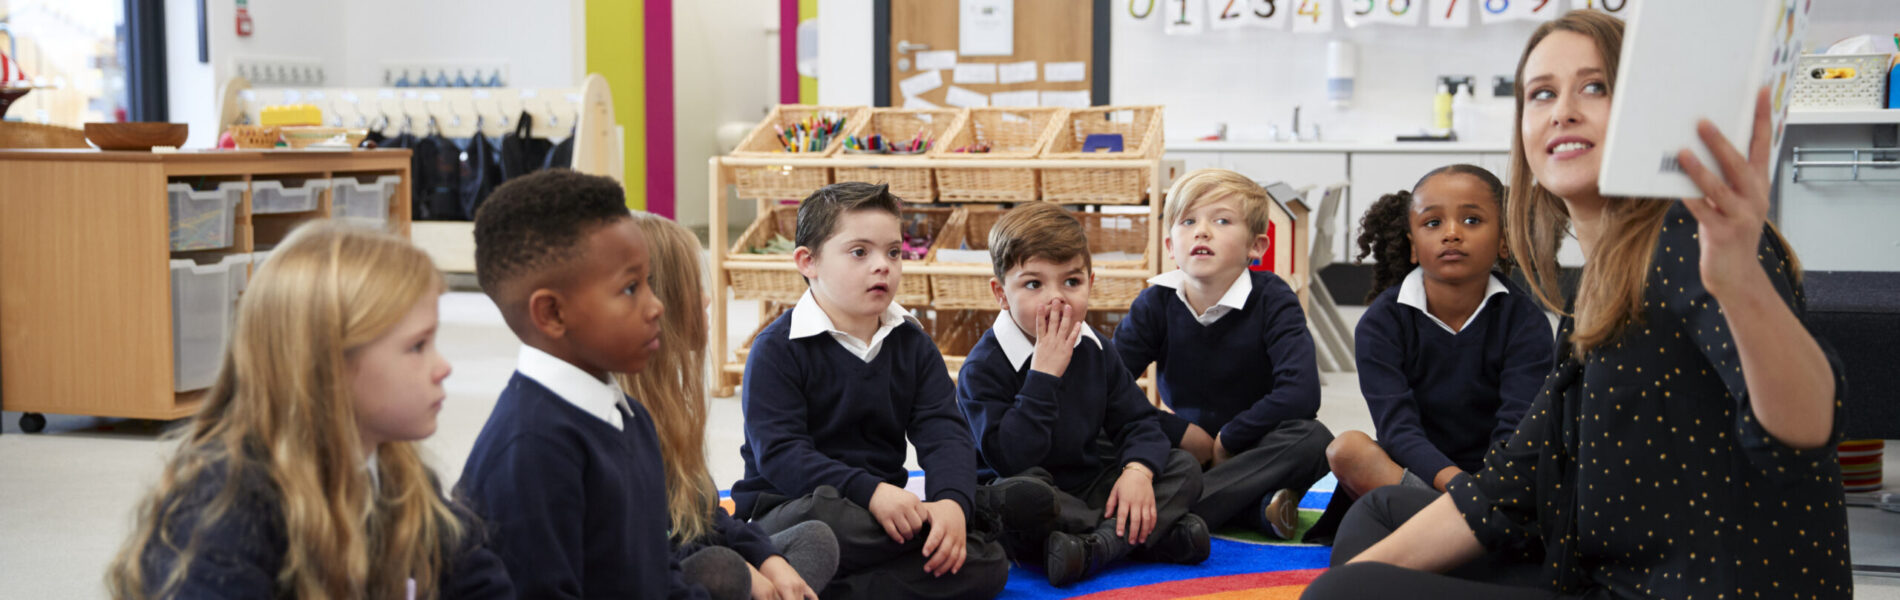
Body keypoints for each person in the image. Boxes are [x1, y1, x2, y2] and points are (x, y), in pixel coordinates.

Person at [1304, 9, 1851, 599]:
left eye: (1595, 86)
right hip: (1594, 564)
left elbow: (1804, 432)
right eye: (1541, 94)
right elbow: (1506, 486)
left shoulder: (1688, 234)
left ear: (1646, 113)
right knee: (1377, 520)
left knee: (1348, 590)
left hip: (1682, 587)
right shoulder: (1600, 282)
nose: (1563, 109)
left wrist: (1742, 285)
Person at [106, 222, 511, 599]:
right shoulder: (226, 504)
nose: (443, 368)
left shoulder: (400, 476)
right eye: (418, 346)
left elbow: (480, 585)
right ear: (328, 365)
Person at [731, 182, 1009, 599]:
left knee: (988, 565)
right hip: (795, 510)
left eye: (894, 252)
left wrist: (951, 504)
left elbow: (945, 432)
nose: (883, 265)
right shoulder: (776, 349)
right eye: (860, 252)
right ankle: (805, 567)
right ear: (808, 262)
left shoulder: (912, 343)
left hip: (884, 514)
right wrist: (872, 492)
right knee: (827, 524)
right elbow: (781, 455)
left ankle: (829, 586)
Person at [458, 170, 705, 598]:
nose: (656, 306)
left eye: (648, 282)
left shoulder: (631, 419)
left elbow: (660, 572)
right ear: (552, 314)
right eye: (630, 288)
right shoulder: (530, 452)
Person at [959, 201, 1210, 587]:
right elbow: (1011, 458)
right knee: (1028, 498)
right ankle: (1147, 535)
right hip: (1018, 487)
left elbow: (1138, 421)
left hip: (1087, 483)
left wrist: (1138, 472)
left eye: (1071, 282)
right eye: (1033, 284)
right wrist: (1043, 373)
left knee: (1182, 467)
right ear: (1001, 294)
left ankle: (1096, 547)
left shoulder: (1096, 348)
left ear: (1090, 282)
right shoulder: (983, 366)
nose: (1056, 298)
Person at [616, 212, 838, 600]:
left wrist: (768, 562)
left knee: (815, 540)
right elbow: (653, 547)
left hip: (693, 553)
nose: (706, 298)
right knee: (723, 569)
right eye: (690, 285)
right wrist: (749, 572)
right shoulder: (620, 421)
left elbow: (704, 515)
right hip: (656, 575)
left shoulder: (669, 402)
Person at [1113, 168, 1333, 540]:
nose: (1202, 231)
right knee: (1102, 430)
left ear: (1256, 247)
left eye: (1222, 220)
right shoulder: (1155, 303)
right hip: (1184, 448)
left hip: (1254, 445)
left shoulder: (1273, 298)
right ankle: (1252, 509)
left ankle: (1170, 516)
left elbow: (1301, 393)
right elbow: (1107, 386)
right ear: (1170, 247)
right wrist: (1179, 431)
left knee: (1313, 439)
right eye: (1188, 221)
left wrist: (1228, 439)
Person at [1325, 164, 1554, 500]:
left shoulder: (1526, 322)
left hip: (1500, 482)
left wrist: (1486, 490)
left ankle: (1457, 530)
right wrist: (1458, 488)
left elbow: (1517, 430)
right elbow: (1398, 430)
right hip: (1414, 477)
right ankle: (1458, 527)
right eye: (1432, 223)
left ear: (1504, 241)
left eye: (1471, 220)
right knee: (1347, 450)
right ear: (1413, 245)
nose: (1451, 233)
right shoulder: (1382, 323)